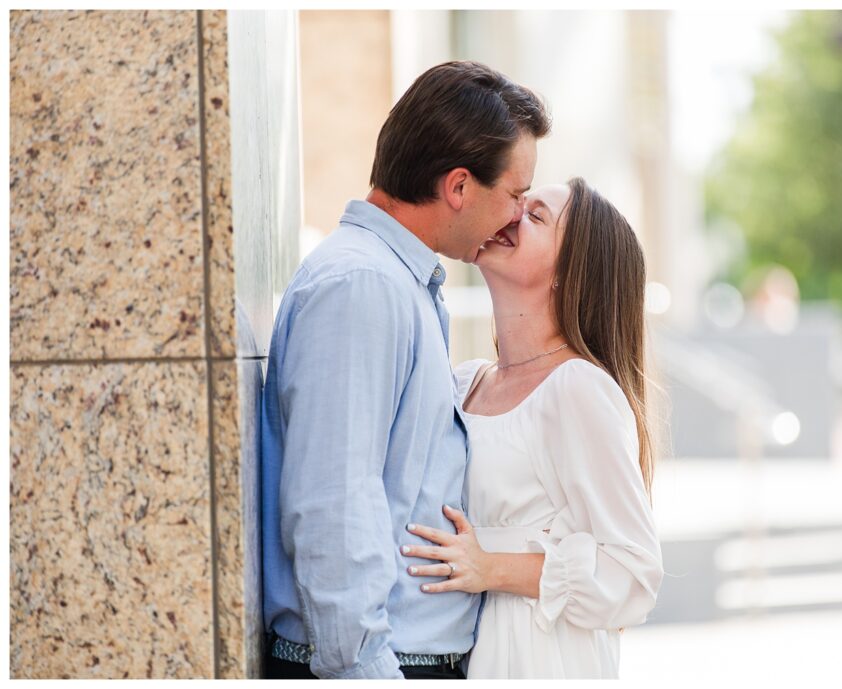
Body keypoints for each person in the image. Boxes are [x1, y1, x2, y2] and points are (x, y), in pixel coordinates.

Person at [260, 61, 550, 679]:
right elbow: (332, 503)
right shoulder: (362, 286)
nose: (519, 216)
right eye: (516, 196)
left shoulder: (401, 282)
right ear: (459, 187)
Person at [399, 178, 664, 678]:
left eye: (536, 215)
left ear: (571, 273)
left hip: (539, 659)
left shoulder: (577, 390)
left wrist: (490, 567)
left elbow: (634, 574)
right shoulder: (464, 381)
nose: (511, 214)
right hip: (456, 648)